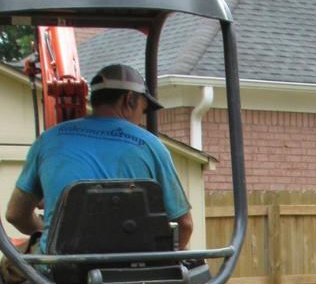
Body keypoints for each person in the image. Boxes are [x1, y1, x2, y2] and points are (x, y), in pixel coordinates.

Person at [6, 63, 192, 253]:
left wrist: (53, 234)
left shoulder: (48, 140)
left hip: (60, 273)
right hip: (136, 273)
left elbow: (15, 215)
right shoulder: (151, 146)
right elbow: (184, 225)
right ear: (129, 100)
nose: (140, 120)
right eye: (142, 111)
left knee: (12, 264)